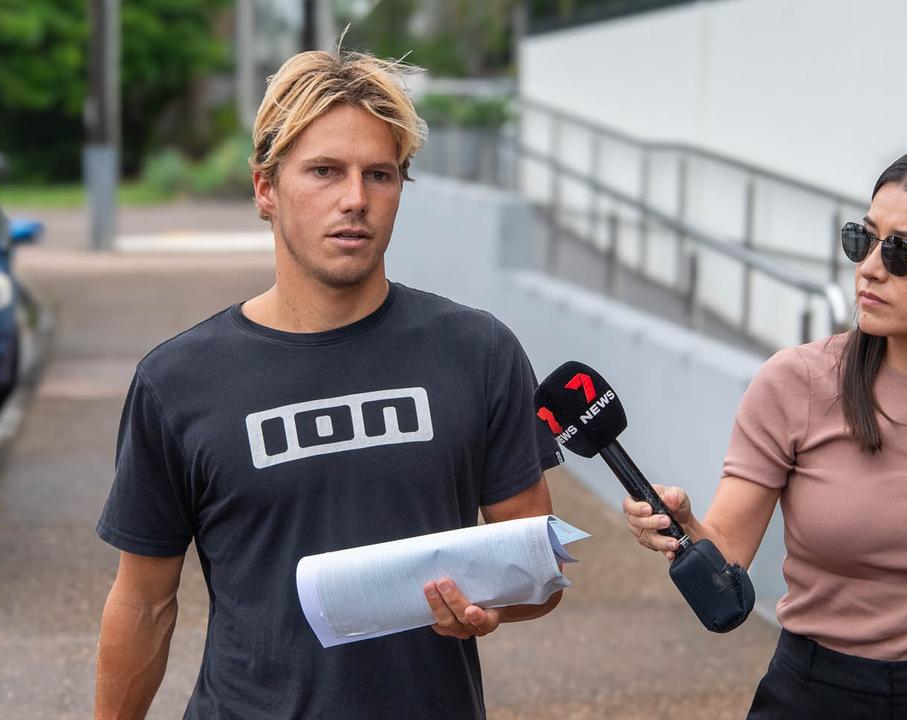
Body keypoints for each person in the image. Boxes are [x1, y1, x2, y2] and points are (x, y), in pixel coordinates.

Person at [93, 50, 564, 719]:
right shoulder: (177, 382)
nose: (355, 199)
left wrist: (486, 608)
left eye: (380, 174)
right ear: (265, 188)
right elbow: (143, 601)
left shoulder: (477, 351)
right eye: (324, 171)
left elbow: (535, 572)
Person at [625, 142, 907, 719]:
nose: (868, 267)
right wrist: (683, 527)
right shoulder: (796, 383)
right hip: (816, 692)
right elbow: (728, 552)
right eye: (862, 239)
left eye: (901, 252)